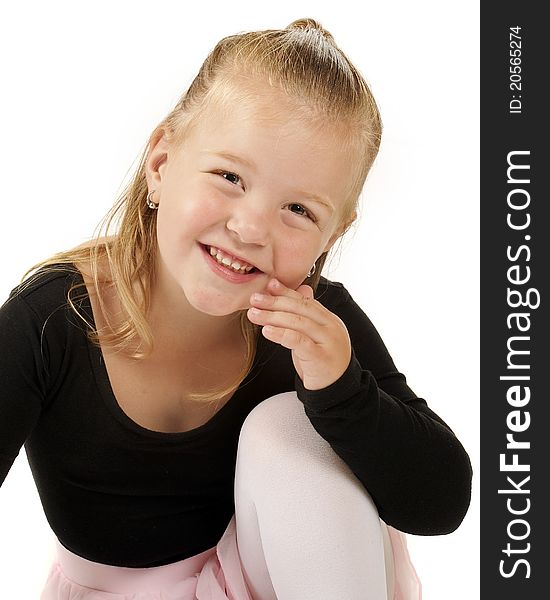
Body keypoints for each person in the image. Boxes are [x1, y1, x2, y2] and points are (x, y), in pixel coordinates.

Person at [0, 17, 472, 600]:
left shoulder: (315, 325)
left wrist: (342, 391)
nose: (249, 227)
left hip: (272, 580)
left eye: (298, 209)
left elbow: (442, 503)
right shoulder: (53, 318)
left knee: (286, 426)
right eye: (229, 176)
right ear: (160, 162)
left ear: (333, 233)